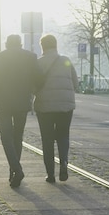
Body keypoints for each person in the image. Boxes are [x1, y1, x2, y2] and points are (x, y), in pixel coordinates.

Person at [0, 34, 40, 188]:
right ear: (20, 43)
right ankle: (14, 171)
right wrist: (32, 92)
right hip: (22, 102)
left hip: (4, 102)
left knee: (5, 137)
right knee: (18, 136)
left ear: (6, 44)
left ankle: (16, 169)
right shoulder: (30, 57)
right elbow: (39, 78)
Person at [34, 34, 78, 183]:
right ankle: (64, 163)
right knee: (63, 135)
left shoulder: (38, 63)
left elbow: (33, 86)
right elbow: (76, 83)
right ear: (56, 45)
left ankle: (50, 174)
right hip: (65, 106)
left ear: (42, 47)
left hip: (44, 107)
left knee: (47, 140)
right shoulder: (66, 61)